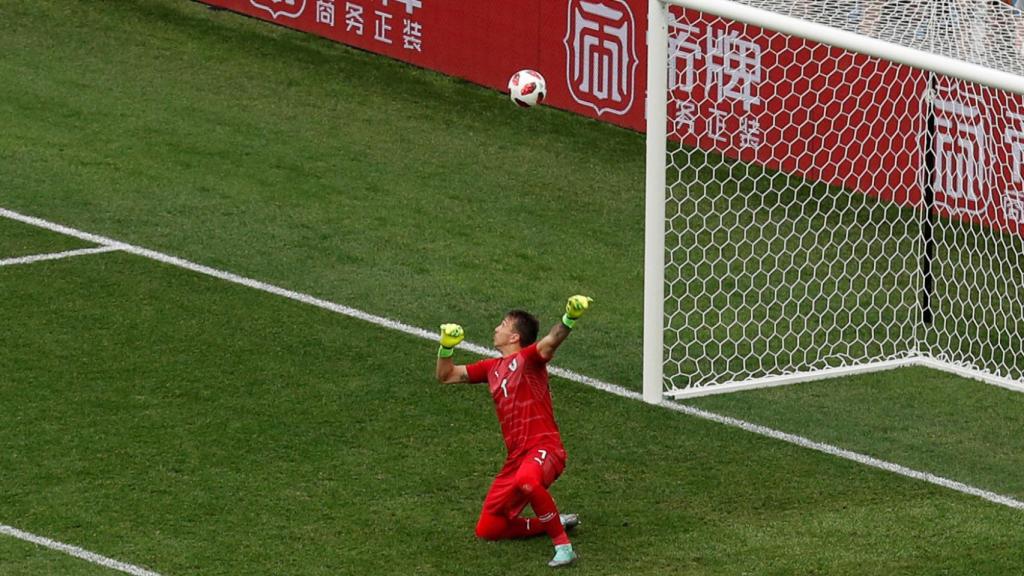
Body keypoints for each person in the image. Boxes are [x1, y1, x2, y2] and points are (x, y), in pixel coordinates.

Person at [434, 295, 593, 568]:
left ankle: (563, 547)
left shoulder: (529, 359)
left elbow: (551, 342)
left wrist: (570, 317)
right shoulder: (491, 368)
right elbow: (446, 375)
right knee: (488, 528)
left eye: (503, 324)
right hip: (516, 457)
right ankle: (554, 522)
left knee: (528, 480)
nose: (496, 328)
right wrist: (445, 348)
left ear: (514, 337)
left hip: (545, 448)